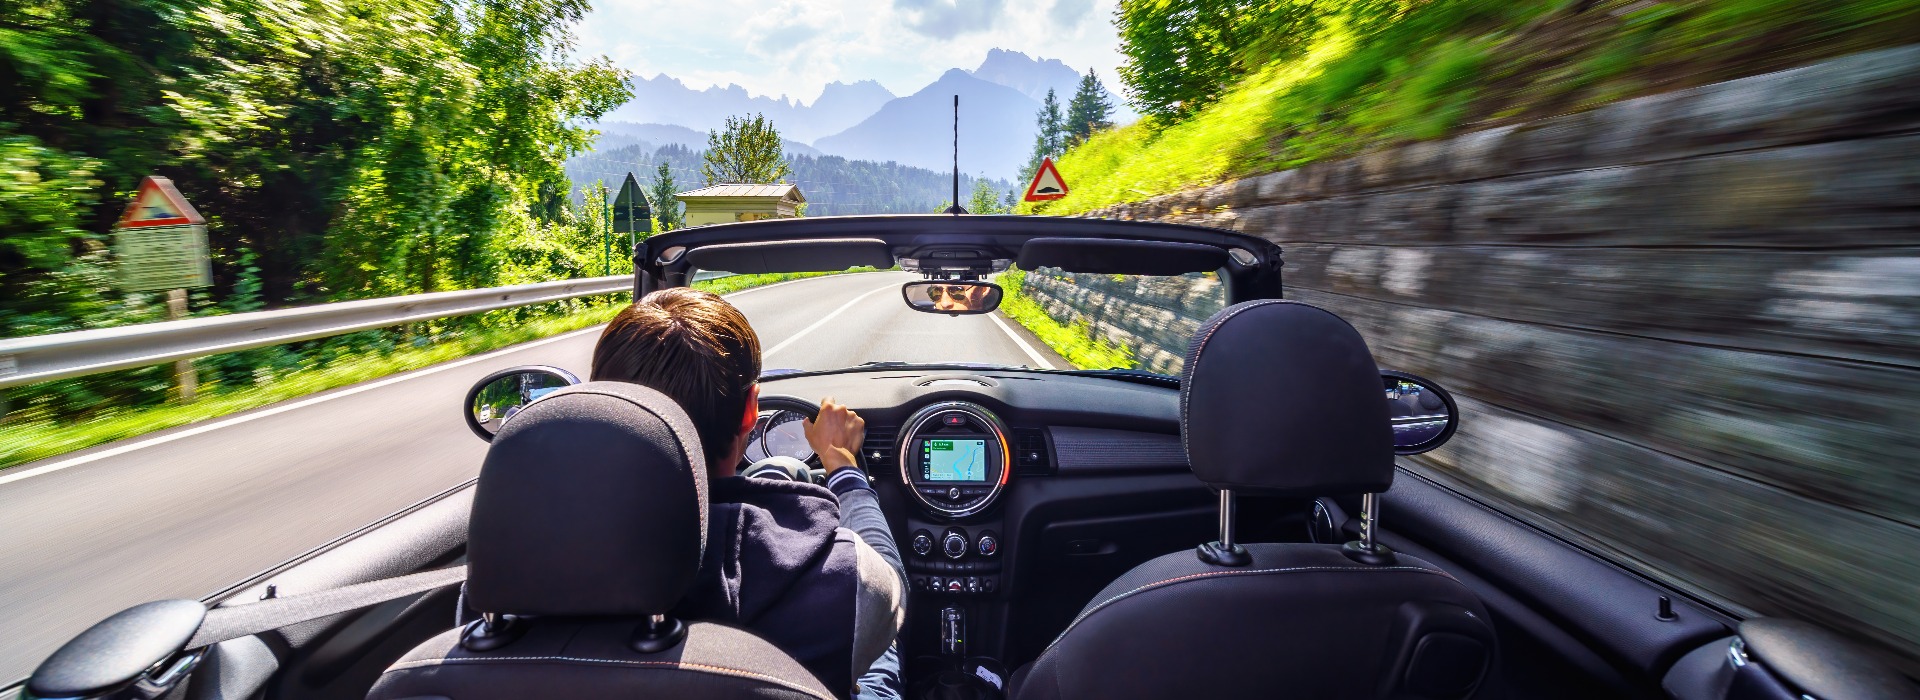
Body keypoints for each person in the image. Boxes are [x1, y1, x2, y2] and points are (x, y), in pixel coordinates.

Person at [589, 287, 905, 699]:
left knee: (783, 472)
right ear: (751, 410)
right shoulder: (845, 582)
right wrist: (841, 463)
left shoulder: (504, 582)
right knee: (883, 652)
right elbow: (890, 585)